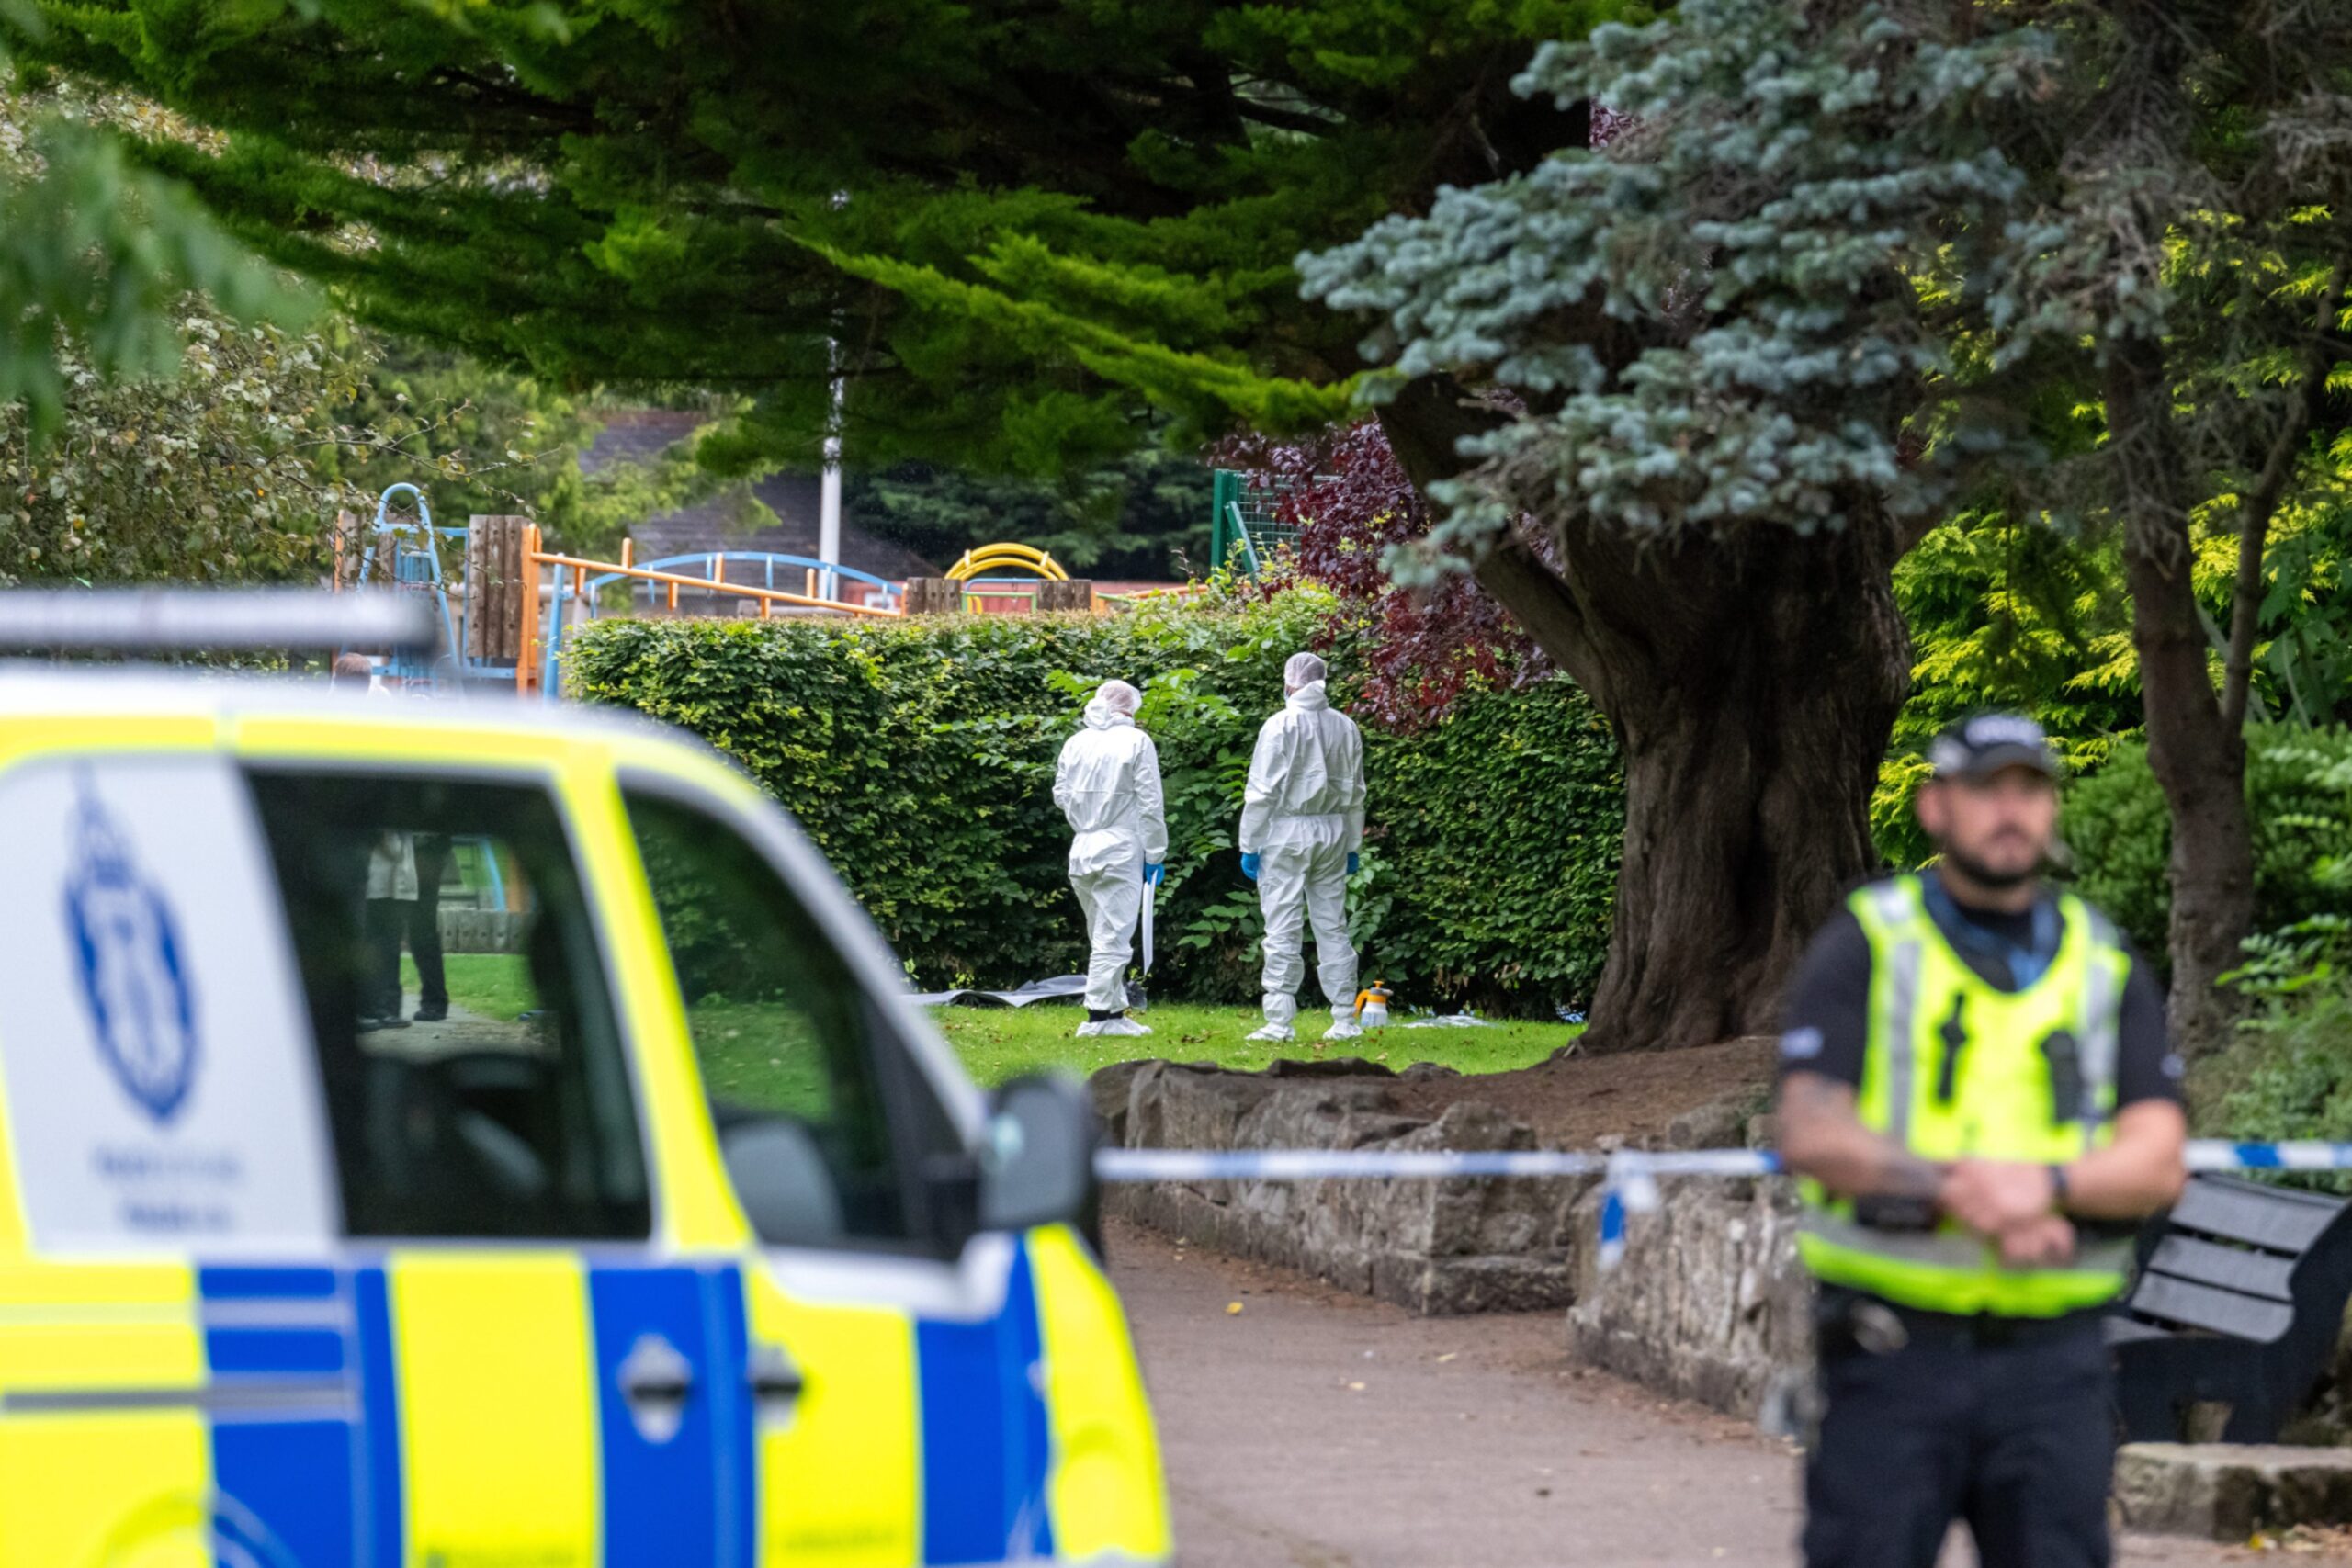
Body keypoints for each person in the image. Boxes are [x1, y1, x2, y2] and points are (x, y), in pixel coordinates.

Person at [1775, 712, 2188, 1568]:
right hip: (1892, 1358)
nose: (2010, 809)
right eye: (1985, 789)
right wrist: (1967, 1188)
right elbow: (1813, 1128)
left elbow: (2157, 1156)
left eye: (2030, 789)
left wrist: (2043, 1185)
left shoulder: (2102, 961)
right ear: (1936, 808)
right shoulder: (1872, 939)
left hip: (2055, 1366)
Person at [1238, 651, 1367, 1043]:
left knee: (1281, 926)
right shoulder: (1345, 726)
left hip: (1285, 832)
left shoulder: (1279, 726)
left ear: (1289, 682)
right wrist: (1352, 843)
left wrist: (1249, 842)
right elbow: (1355, 792)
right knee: (1333, 925)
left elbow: (1262, 792)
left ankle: (1279, 1021)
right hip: (1332, 831)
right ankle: (1345, 1018)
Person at [1052, 679, 1167, 1038]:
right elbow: (1150, 802)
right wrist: (1156, 852)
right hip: (1120, 847)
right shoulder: (1136, 742)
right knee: (1113, 937)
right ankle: (1098, 1017)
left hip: (1083, 846)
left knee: (1101, 932)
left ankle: (1115, 1012)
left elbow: (1060, 794)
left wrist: (1086, 815)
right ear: (1129, 708)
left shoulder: (1076, 742)